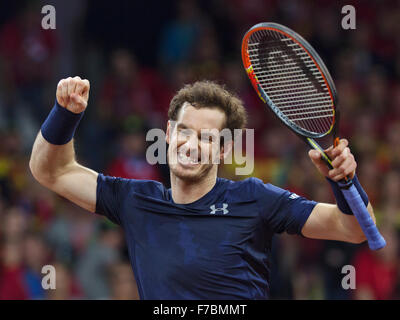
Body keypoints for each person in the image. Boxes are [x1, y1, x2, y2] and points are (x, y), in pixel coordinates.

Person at [29, 76, 375, 299]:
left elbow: (355, 228)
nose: (191, 145)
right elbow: (50, 172)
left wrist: (345, 181)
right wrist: (64, 115)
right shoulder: (135, 201)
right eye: (184, 131)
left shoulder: (254, 198)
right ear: (168, 132)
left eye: (207, 137)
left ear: (224, 148)